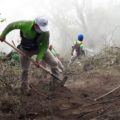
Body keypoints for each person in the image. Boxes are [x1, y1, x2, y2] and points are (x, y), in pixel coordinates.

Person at [0, 16, 65, 94]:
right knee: (25, 69)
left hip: (39, 48)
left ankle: (57, 83)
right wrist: (3, 35)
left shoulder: (46, 32)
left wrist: (39, 58)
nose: (42, 30)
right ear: (35, 25)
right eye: (40, 28)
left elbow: (45, 45)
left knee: (54, 62)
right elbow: (11, 25)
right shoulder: (25, 24)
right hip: (26, 49)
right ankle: (25, 89)